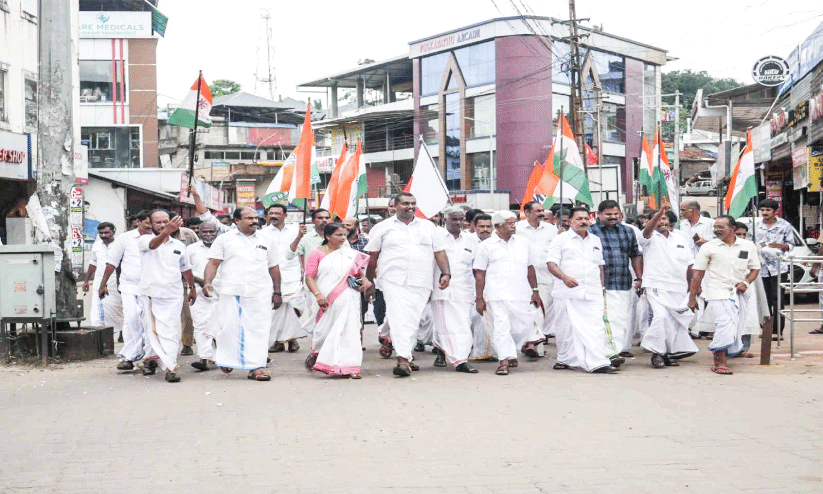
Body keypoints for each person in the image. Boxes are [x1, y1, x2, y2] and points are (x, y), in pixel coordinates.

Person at [364, 192, 450, 377]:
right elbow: (372, 258)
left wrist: (446, 273)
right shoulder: (382, 228)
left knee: (412, 318)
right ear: (394, 206)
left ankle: (386, 333)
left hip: (421, 279)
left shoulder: (429, 227)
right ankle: (403, 359)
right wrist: (369, 281)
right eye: (405, 203)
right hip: (392, 279)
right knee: (401, 316)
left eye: (413, 203)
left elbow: (440, 252)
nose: (410, 207)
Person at [202, 207, 282, 381]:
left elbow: (274, 267)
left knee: (259, 331)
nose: (254, 220)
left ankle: (256, 368)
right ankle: (226, 358)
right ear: (236, 220)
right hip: (232, 291)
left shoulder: (266, 239)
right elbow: (213, 263)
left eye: (256, 217)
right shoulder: (224, 240)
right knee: (229, 329)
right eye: (249, 218)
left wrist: (277, 292)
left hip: (260, 292)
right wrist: (207, 282)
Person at [547, 207, 617, 373]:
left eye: (586, 218)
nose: (583, 221)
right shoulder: (560, 240)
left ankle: (597, 361)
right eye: (579, 219)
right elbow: (551, 264)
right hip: (567, 291)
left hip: (592, 291)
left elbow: (600, 265)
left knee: (595, 326)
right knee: (566, 328)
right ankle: (564, 359)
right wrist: (565, 278)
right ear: (570, 221)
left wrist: (601, 286)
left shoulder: (595, 240)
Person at [689, 215, 761, 375]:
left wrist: (746, 283)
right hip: (717, 292)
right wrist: (692, 298)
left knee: (737, 327)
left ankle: (726, 352)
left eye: (721, 227)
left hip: (740, 293)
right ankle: (720, 362)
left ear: (733, 228)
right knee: (725, 325)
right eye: (715, 227)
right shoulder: (709, 247)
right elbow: (697, 274)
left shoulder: (748, 246)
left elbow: (755, 268)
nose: (716, 230)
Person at [473, 210, 542, 376]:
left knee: (522, 327)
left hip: (521, 293)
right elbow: (480, 273)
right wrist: (479, 298)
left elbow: (530, 268)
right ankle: (504, 361)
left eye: (514, 223)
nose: (513, 226)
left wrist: (535, 291)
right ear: (497, 226)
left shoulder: (523, 243)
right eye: (509, 223)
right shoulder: (485, 246)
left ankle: (512, 350)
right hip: (496, 294)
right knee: (501, 328)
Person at [304, 224, 372, 378]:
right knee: (324, 331)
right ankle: (317, 352)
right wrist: (318, 295)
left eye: (344, 235)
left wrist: (366, 281)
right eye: (338, 235)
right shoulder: (317, 254)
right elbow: (309, 277)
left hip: (349, 296)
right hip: (327, 298)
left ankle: (350, 366)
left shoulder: (349, 254)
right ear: (328, 236)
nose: (342, 238)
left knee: (350, 329)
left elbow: (359, 273)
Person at [638, 198, 699, 368]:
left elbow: (689, 265)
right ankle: (656, 353)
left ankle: (668, 352)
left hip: (679, 287)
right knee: (661, 317)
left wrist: (693, 288)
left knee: (673, 321)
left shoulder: (680, 239)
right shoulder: (648, 238)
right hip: (656, 285)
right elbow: (647, 231)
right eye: (658, 219)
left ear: (670, 221)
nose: (662, 221)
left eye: (665, 218)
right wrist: (659, 213)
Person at [138, 210, 197, 383]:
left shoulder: (179, 246)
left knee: (171, 330)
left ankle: (170, 366)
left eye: (166, 222)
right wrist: (167, 231)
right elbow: (153, 245)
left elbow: (185, 268)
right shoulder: (144, 240)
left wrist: (192, 287)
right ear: (151, 224)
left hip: (174, 293)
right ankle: (154, 361)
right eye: (158, 223)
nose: (163, 225)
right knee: (153, 330)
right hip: (151, 293)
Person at [589, 200, 641, 368]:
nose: (612, 217)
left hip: (622, 282)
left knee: (620, 320)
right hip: (599, 284)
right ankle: (607, 354)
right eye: (608, 214)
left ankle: (613, 352)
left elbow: (635, 254)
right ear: (599, 214)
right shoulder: (591, 232)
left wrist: (639, 278)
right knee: (604, 320)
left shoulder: (628, 231)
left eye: (615, 214)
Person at [99, 211, 151, 371]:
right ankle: (131, 356)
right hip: (129, 287)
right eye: (147, 223)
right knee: (132, 318)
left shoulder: (160, 238)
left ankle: (147, 358)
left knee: (149, 322)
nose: (150, 226)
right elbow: (112, 262)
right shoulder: (125, 238)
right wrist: (103, 284)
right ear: (139, 222)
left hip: (152, 288)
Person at [429, 206, 479, 373]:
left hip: (465, 290)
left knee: (463, 324)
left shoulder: (471, 240)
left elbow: (474, 267)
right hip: (442, 289)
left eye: (461, 219)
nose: (458, 223)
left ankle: (442, 348)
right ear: (445, 219)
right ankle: (460, 360)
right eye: (454, 219)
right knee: (447, 326)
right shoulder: (436, 237)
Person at [265, 204, 308, 353]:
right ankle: (283, 340)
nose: (274, 216)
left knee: (294, 306)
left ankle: (286, 339)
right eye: (271, 213)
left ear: (285, 215)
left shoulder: (297, 231)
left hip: (293, 273)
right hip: (271, 275)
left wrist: (304, 270)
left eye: (277, 213)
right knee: (276, 308)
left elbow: (302, 251)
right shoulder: (263, 233)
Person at [516, 201, 559, 347]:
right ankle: (529, 343)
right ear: (526, 212)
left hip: (545, 276)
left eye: (542, 210)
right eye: (537, 211)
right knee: (527, 311)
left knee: (541, 310)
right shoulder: (517, 228)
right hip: (523, 276)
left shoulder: (551, 229)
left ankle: (535, 345)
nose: (541, 213)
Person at [753, 199, 794, 337]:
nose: (765, 213)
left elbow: (791, 245)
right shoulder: (755, 225)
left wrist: (779, 245)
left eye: (768, 210)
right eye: (762, 210)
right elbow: (748, 243)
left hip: (779, 268)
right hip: (760, 268)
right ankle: (765, 329)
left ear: (775, 211)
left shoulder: (785, 226)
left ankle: (777, 330)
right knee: (763, 299)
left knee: (778, 300)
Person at [186, 221, 219, 371]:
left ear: (216, 232)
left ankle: (220, 357)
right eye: (204, 232)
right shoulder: (191, 249)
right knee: (200, 324)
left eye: (211, 232)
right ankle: (204, 357)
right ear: (198, 233)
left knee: (219, 325)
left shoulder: (222, 247)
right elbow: (185, 270)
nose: (208, 235)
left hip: (221, 291)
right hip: (198, 292)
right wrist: (203, 283)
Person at [83, 222, 123, 339]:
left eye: (106, 232)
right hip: (99, 282)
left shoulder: (120, 245)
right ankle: (101, 336)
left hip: (116, 282)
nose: (104, 235)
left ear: (113, 232)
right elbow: (93, 263)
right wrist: (86, 280)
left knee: (118, 308)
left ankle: (121, 332)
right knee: (98, 310)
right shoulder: (96, 246)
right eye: (101, 233)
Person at [734, 222, 769, 357]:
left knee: (749, 316)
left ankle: (744, 348)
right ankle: (730, 348)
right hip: (729, 285)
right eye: (739, 234)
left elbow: (757, 266)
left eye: (744, 234)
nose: (742, 237)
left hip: (749, 286)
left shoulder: (750, 247)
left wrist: (746, 282)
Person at [469, 214, 496, 361]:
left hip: (488, 286)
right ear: (474, 227)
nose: (485, 230)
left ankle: (483, 352)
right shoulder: (467, 241)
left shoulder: (495, 243)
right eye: (481, 226)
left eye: (488, 226)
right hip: (466, 286)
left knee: (483, 319)